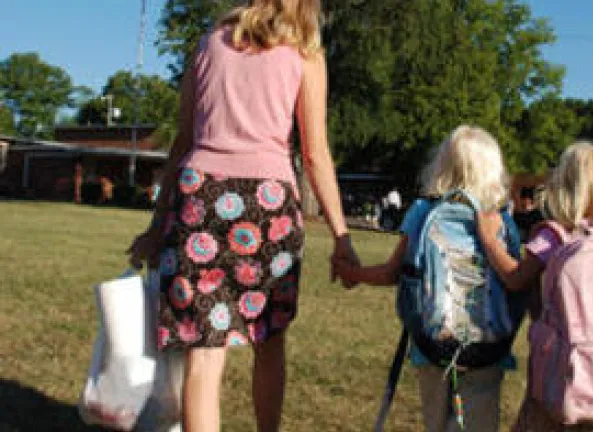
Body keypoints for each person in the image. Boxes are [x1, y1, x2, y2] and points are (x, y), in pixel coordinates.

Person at [127, 1, 358, 431]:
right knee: (268, 339)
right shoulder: (305, 54)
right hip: (269, 205)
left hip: (201, 199)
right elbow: (315, 154)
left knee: (203, 353)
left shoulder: (208, 44)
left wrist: (157, 226)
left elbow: (183, 140)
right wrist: (341, 236)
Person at [334, 125, 520, 432]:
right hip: (487, 349)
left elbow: (393, 272)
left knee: (436, 424)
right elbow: (516, 281)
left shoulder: (423, 211)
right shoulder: (501, 220)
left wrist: (352, 274)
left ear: (441, 165)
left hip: (431, 345)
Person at [476, 142, 593, 432]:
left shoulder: (556, 234)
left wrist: (491, 240)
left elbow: (516, 278)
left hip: (560, 377)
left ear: (564, 187)